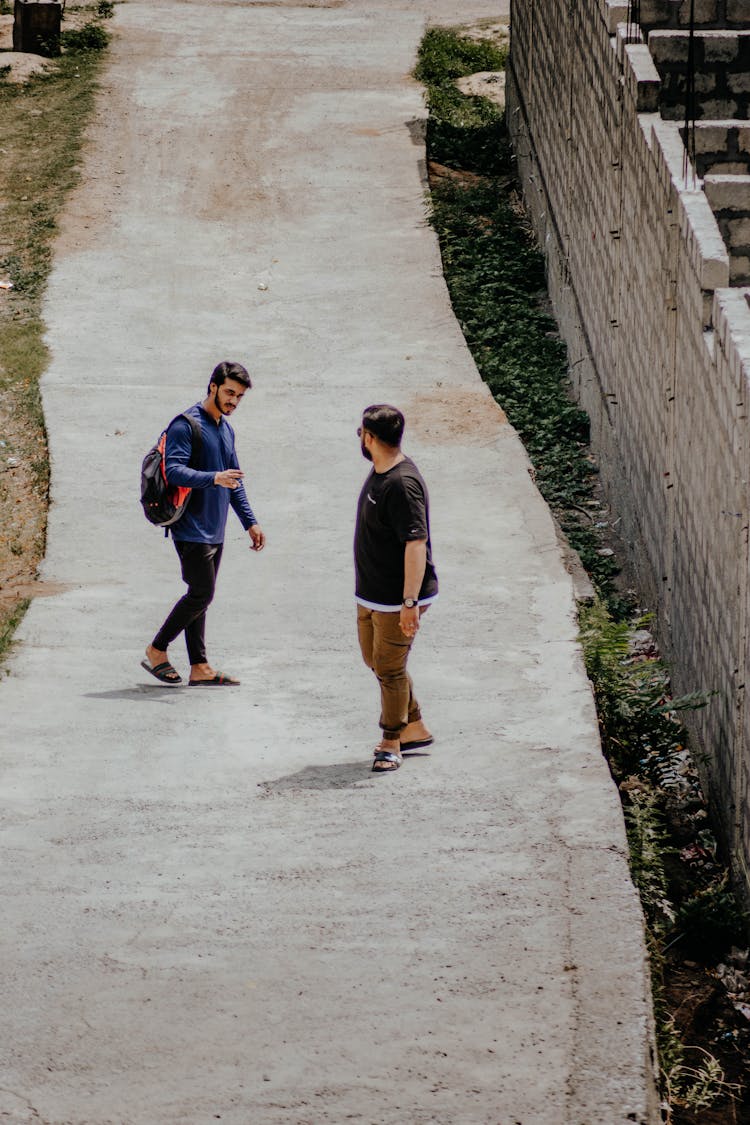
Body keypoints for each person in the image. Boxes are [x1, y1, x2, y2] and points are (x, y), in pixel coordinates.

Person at [141, 360, 265, 687]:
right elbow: (175, 469)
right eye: (229, 393)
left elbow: (234, 480)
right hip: (190, 527)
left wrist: (249, 523)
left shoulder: (225, 429)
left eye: (239, 396)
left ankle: (200, 667)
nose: (233, 401)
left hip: (215, 527)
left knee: (202, 596)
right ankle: (157, 649)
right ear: (212, 386)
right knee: (201, 593)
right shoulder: (186, 425)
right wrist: (214, 478)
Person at [354, 404, 438, 773]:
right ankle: (414, 725)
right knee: (377, 660)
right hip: (371, 591)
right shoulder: (380, 470)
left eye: (360, 432)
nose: (359, 438)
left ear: (370, 437)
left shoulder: (401, 484)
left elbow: (416, 543)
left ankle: (391, 741)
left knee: (388, 669)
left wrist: (409, 602)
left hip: (396, 596)